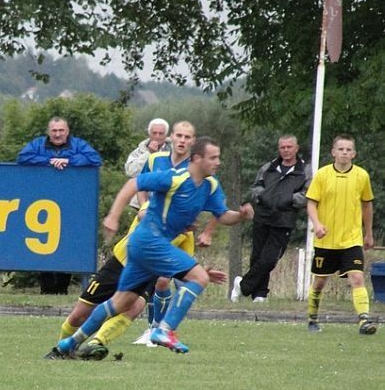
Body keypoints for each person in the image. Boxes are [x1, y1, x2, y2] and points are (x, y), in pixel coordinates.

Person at [56, 137, 251, 356]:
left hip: (144, 245)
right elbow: (134, 183)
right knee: (199, 278)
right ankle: (164, 330)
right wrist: (113, 216)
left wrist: (241, 216)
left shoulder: (210, 185)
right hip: (149, 240)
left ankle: (69, 343)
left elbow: (223, 215)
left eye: (219, 157)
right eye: (213, 157)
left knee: (120, 302)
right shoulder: (175, 178)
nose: (218, 162)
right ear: (197, 158)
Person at [43, 210, 226, 360]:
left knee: (134, 307)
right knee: (78, 316)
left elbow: (183, 264)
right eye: (192, 219)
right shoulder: (162, 205)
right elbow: (142, 214)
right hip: (120, 264)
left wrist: (201, 274)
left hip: (147, 274)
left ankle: (96, 343)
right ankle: (62, 349)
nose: (194, 224)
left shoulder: (186, 235)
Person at [129, 120, 197, 345]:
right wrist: (144, 207)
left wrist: (204, 229)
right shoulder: (156, 159)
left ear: (192, 142)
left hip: (180, 232)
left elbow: (206, 198)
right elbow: (140, 186)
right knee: (158, 281)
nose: (182, 141)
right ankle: (154, 329)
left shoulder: (196, 167)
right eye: (179, 136)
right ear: (172, 138)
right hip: (154, 229)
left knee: (174, 282)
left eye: (187, 137)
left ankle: (163, 329)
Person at [17, 116, 102, 294]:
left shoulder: (78, 144)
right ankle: (46, 289)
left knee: (67, 245)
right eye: (54, 131)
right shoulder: (38, 144)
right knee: (42, 246)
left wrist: (69, 162)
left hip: (71, 205)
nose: (57, 134)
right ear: (48, 132)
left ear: (67, 131)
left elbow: (95, 159)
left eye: (61, 130)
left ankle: (62, 289)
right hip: (42, 204)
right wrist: (48, 162)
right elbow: (23, 157)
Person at [305, 134, 376, 335]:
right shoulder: (322, 175)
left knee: (357, 278)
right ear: (333, 152)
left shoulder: (362, 176)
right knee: (319, 282)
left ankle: (364, 320)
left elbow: (367, 204)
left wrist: (368, 233)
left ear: (354, 154)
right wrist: (317, 224)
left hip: (351, 239)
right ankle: (312, 318)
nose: (344, 153)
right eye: (341, 149)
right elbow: (311, 202)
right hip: (326, 240)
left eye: (348, 150)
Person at [230, 135, 312, 304]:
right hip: (262, 216)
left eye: (289, 147)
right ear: (279, 149)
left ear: (296, 148)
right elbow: (255, 188)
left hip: (284, 219)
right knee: (257, 256)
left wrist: (287, 199)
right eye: (283, 147)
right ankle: (260, 294)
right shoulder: (268, 167)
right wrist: (264, 197)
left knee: (270, 258)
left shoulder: (305, 170)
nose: (286, 150)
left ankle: (242, 285)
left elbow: (308, 195)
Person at [124, 118, 170, 210]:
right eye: (154, 133)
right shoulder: (139, 151)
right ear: (149, 134)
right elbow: (130, 172)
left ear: (166, 135)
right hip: (140, 203)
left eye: (161, 133)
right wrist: (148, 154)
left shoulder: (173, 151)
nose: (157, 136)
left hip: (166, 202)